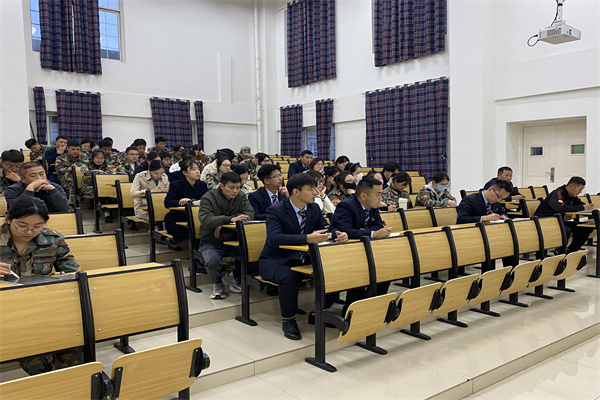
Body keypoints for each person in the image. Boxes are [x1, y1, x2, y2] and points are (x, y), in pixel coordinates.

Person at [258, 173, 348, 340]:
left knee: (333, 269)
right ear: (296, 192)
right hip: (276, 259)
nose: (316, 192)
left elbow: (325, 227)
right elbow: (275, 238)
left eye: (315, 188)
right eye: (310, 189)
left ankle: (319, 312)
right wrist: (307, 238)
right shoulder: (276, 210)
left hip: (303, 258)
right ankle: (288, 320)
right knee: (290, 276)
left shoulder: (313, 208)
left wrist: (338, 234)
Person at [0, 196, 81, 375]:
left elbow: (74, 273)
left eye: (37, 226)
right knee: (39, 361)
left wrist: (61, 280)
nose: (29, 231)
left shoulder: (52, 239)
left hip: (44, 306)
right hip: (7, 313)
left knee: (76, 350)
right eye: (22, 225)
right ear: (8, 219)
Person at [330, 177, 393, 310]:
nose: (380, 198)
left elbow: (378, 225)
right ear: (364, 196)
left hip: (366, 249)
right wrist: (372, 234)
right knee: (360, 273)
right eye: (378, 194)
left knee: (386, 269)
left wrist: (363, 230)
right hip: (346, 252)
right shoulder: (346, 205)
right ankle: (351, 311)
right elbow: (345, 230)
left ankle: (376, 306)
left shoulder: (372, 205)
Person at [198, 172, 254, 299]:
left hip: (234, 238)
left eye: (238, 187)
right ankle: (217, 283)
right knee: (212, 261)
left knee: (255, 256)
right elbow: (205, 219)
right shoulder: (209, 197)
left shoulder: (240, 196)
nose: (235, 191)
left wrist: (223, 223)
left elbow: (249, 213)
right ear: (222, 186)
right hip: (211, 240)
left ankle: (233, 276)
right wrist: (229, 219)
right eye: (231, 187)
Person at [534, 177, 595, 253]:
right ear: (572, 186)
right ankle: (561, 253)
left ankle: (571, 251)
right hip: (544, 222)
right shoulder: (558, 193)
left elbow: (580, 204)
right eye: (579, 189)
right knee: (566, 230)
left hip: (558, 222)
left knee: (585, 228)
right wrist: (582, 207)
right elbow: (560, 208)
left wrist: (587, 207)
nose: (580, 192)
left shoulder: (572, 195)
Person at [164, 159, 209, 250]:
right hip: (178, 218)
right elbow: (167, 202)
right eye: (193, 169)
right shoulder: (176, 185)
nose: (197, 172)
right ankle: (195, 252)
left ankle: (200, 252)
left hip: (198, 217)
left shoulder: (202, 185)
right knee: (194, 229)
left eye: (198, 169)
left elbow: (209, 200)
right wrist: (189, 202)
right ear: (185, 173)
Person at [4, 162, 68, 212]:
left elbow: (64, 210)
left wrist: (52, 190)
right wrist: (30, 189)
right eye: (33, 176)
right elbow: (19, 211)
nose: (39, 178)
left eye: (41, 174)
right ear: (23, 179)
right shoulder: (12, 190)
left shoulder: (55, 187)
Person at [54, 140, 87, 205]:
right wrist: (68, 169)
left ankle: (74, 200)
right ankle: (72, 201)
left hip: (81, 178)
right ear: (67, 148)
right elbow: (58, 171)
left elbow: (89, 167)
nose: (75, 151)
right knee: (72, 177)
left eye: (77, 149)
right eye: (73, 149)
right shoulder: (61, 158)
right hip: (65, 178)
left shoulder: (84, 157)